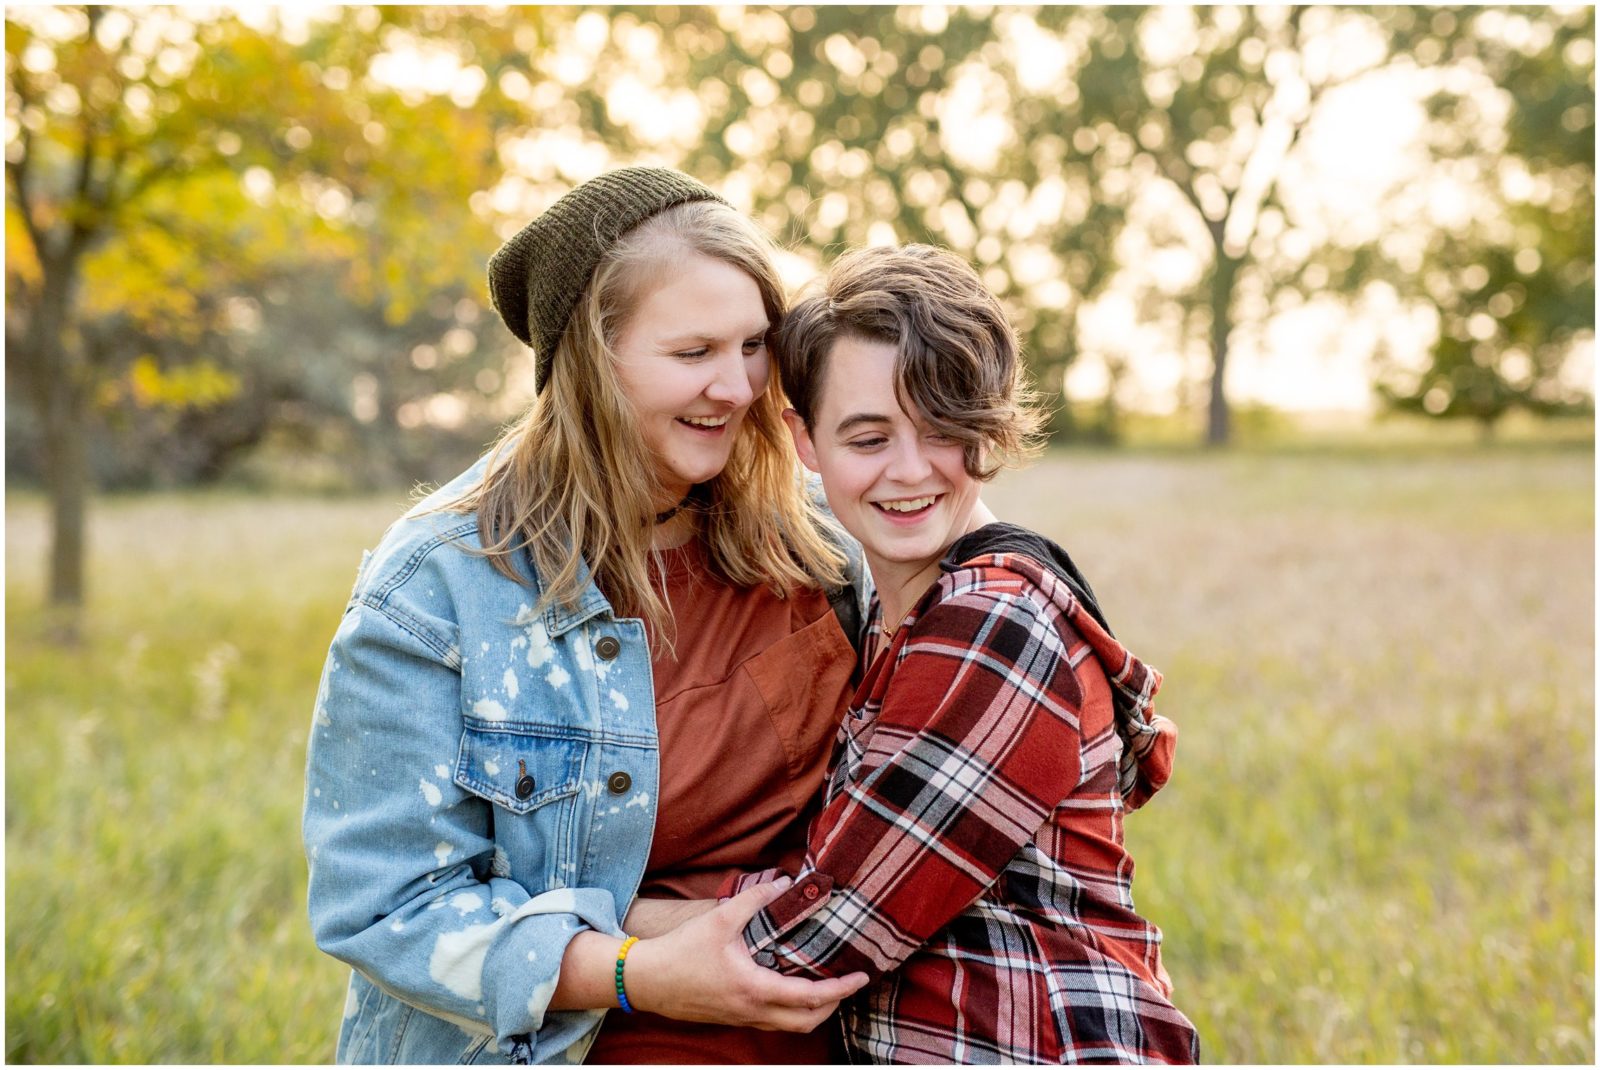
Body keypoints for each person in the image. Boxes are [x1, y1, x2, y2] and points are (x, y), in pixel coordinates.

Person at [302, 167, 872, 1065]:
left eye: (755, 345)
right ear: (589, 362)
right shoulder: (439, 585)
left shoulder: (825, 539)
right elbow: (383, 905)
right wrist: (637, 967)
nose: (738, 387)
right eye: (693, 355)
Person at [720, 243, 1202, 1063]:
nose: (910, 471)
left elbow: (816, 941)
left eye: (943, 430)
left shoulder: (995, 622)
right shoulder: (889, 613)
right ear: (804, 440)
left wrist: (614, 928)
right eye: (868, 438)